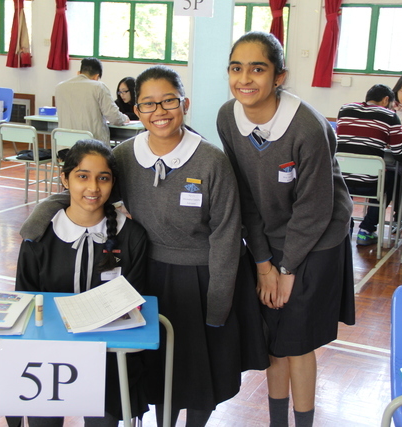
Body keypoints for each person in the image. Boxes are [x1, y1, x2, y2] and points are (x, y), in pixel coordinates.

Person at [20, 65, 269, 427]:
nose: (159, 112)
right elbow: (89, 193)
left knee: (202, 374)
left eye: (169, 101)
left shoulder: (212, 160)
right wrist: (39, 218)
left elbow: (227, 236)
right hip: (149, 276)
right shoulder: (125, 155)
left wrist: (218, 305)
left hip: (206, 279)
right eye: (148, 104)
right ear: (136, 110)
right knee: (158, 371)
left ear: (185, 103)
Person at [217, 32, 355, 427]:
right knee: (271, 340)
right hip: (270, 236)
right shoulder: (227, 117)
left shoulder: (307, 127)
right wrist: (264, 264)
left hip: (317, 240)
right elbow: (244, 194)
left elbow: (314, 209)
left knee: (297, 342)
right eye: (236, 68)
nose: (245, 78)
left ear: (279, 76)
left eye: (257, 69)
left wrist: (287, 268)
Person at [9, 139, 150, 427]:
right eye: (82, 176)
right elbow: (26, 304)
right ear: (65, 179)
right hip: (48, 356)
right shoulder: (39, 238)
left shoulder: (132, 237)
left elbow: (132, 303)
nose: (93, 188)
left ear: (113, 183)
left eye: (103, 178)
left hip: (110, 358)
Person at [336, 84, 402, 246]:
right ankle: (366, 230)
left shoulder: (345, 109)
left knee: (351, 177)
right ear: (386, 100)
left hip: (341, 179)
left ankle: (347, 226)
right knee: (391, 178)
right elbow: (400, 153)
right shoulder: (389, 115)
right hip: (370, 184)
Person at [55, 58, 129, 147]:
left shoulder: (60, 87)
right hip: (91, 148)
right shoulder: (98, 87)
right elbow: (114, 117)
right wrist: (124, 118)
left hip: (64, 147)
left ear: (79, 72)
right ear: (96, 76)